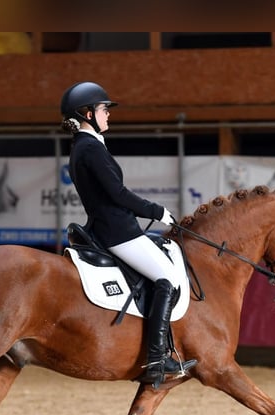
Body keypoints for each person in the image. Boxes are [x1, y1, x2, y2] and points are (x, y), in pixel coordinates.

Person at [60, 81, 197, 387]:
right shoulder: (90, 148)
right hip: (118, 231)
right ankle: (157, 358)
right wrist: (156, 211)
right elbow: (118, 194)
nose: (108, 115)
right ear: (86, 113)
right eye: (103, 109)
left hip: (111, 227)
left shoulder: (86, 146)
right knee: (167, 279)